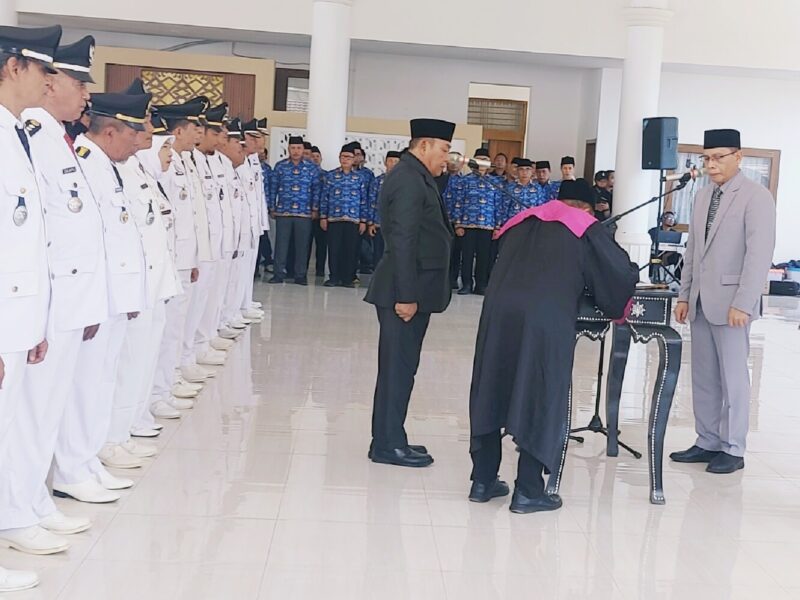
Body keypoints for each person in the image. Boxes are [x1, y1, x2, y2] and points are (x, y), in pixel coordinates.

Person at [468, 179, 638, 513]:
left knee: (492, 386)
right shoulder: (585, 228)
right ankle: (529, 491)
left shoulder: (522, 221)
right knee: (540, 391)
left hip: (499, 313)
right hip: (544, 320)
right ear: (588, 209)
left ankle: (483, 481)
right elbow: (616, 273)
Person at [671, 128, 776, 474]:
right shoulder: (702, 197)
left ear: (738, 157)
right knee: (703, 376)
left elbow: (759, 255)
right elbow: (693, 250)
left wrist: (744, 302)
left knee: (733, 377)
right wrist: (685, 294)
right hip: (701, 300)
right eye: (706, 158)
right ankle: (707, 440)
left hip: (733, 303)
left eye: (718, 157)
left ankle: (733, 447)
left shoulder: (755, 196)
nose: (711, 165)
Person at [0, 23, 62, 591]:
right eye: (44, 70)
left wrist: (33, 319)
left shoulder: (17, 134)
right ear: (13, 66)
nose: (50, 82)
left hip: (17, 316)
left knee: (9, 430)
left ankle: (14, 517)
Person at [364, 118, 455, 468]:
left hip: (414, 288)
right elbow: (402, 239)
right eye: (444, 150)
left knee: (402, 368)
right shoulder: (407, 179)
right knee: (397, 368)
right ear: (424, 145)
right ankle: (387, 444)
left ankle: (391, 437)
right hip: (404, 291)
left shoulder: (416, 175)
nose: (446, 158)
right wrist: (406, 295)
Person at [268, 135, 321, 284]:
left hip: (304, 213)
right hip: (283, 211)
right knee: (281, 245)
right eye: (293, 148)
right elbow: (273, 188)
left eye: (299, 148)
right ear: (288, 149)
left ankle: (300, 275)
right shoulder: (280, 166)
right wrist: (272, 206)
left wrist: (315, 208)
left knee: (302, 245)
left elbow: (316, 189)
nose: (296, 151)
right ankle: (278, 273)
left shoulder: (312, 168)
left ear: (303, 149)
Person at [453, 148, 500, 295]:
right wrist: (458, 224)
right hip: (467, 224)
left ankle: (481, 285)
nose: (481, 163)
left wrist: (497, 226)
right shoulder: (465, 180)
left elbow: (498, 205)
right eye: (478, 160)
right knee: (466, 256)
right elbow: (458, 202)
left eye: (484, 160)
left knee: (484, 257)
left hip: (487, 225)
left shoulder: (495, 183)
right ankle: (466, 284)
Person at [320, 142, 367, 287]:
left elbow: (364, 200)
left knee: (350, 249)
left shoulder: (360, 178)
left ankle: (347, 278)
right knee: (334, 249)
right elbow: (324, 197)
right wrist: (323, 217)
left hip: (353, 220)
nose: (345, 159)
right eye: (343, 157)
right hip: (334, 218)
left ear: (354, 160)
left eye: (349, 157)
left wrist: (363, 221)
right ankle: (334, 277)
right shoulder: (331, 176)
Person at [367, 150, 401, 266]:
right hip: (379, 224)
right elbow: (372, 201)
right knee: (378, 254)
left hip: (397, 225)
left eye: (396, 161)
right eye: (390, 161)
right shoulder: (377, 181)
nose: (393, 164)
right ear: (385, 163)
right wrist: (371, 223)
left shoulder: (404, 182)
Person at [501, 158, 544, 224]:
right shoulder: (510, 187)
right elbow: (504, 208)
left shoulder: (537, 188)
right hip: (513, 224)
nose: (524, 172)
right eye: (521, 169)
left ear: (532, 171)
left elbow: (541, 208)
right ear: (517, 171)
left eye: (527, 169)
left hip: (531, 224)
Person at [442, 159, 464, 289]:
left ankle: (453, 279)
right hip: (441, 219)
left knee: (456, 251)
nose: (454, 164)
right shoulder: (440, 178)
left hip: (457, 222)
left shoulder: (465, 181)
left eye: (457, 162)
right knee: (441, 250)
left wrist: (459, 222)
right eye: (451, 161)